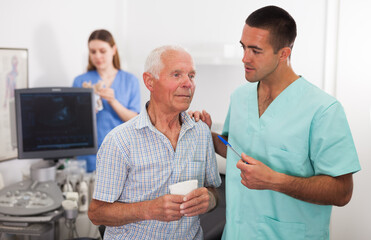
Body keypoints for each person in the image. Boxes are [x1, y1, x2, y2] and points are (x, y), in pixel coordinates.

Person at [191, 5, 361, 240]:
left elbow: (342, 192)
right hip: (237, 233)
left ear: (284, 53)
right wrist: (207, 135)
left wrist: (275, 181)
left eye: (255, 50)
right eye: (243, 47)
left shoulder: (323, 110)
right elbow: (232, 147)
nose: (244, 58)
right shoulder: (240, 98)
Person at [88, 45, 221, 239]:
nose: (188, 83)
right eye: (176, 75)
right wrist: (148, 209)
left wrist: (209, 200)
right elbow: (96, 213)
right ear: (150, 81)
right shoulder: (119, 141)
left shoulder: (201, 132)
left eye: (191, 76)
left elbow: (214, 190)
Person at [73, 29, 141, 172]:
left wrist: (113, 101)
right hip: (89, 155)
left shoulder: (130, 81)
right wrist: (86, 109)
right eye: (93, 51)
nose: (97, 56)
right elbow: (74, 123)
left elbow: (135, 120)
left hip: (120, 152)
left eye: (102, 51)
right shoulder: (80, 81)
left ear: (113, 50)